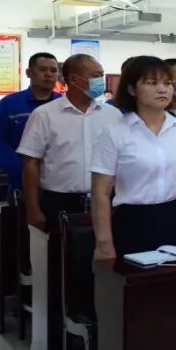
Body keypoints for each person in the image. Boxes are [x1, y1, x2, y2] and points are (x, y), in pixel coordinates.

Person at [89, 56, 176, 259]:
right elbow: (100, 193)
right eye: (152, 83)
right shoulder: (114, 133)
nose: (162, 89)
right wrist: (104, 242)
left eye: (167, 83)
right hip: (133, 222)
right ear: (132, 89)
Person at [18, 55, 123, 233]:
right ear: (74, 79)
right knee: (58, 248)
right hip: (58, 201)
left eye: (101, 75)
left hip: (104, 200)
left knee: (104, 248)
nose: (100, 81)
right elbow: (30, 163)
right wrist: (33, 209)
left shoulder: (113, 115)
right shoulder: (44, 114)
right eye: (95, 76)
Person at [0, 52, 60, 192]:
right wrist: (23, 169)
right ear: (29, 73)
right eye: (42, 69)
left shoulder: (65, 105)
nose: (49, 74)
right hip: (21, 184)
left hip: (61, 184)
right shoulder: (9, 104)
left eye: (53, 70)